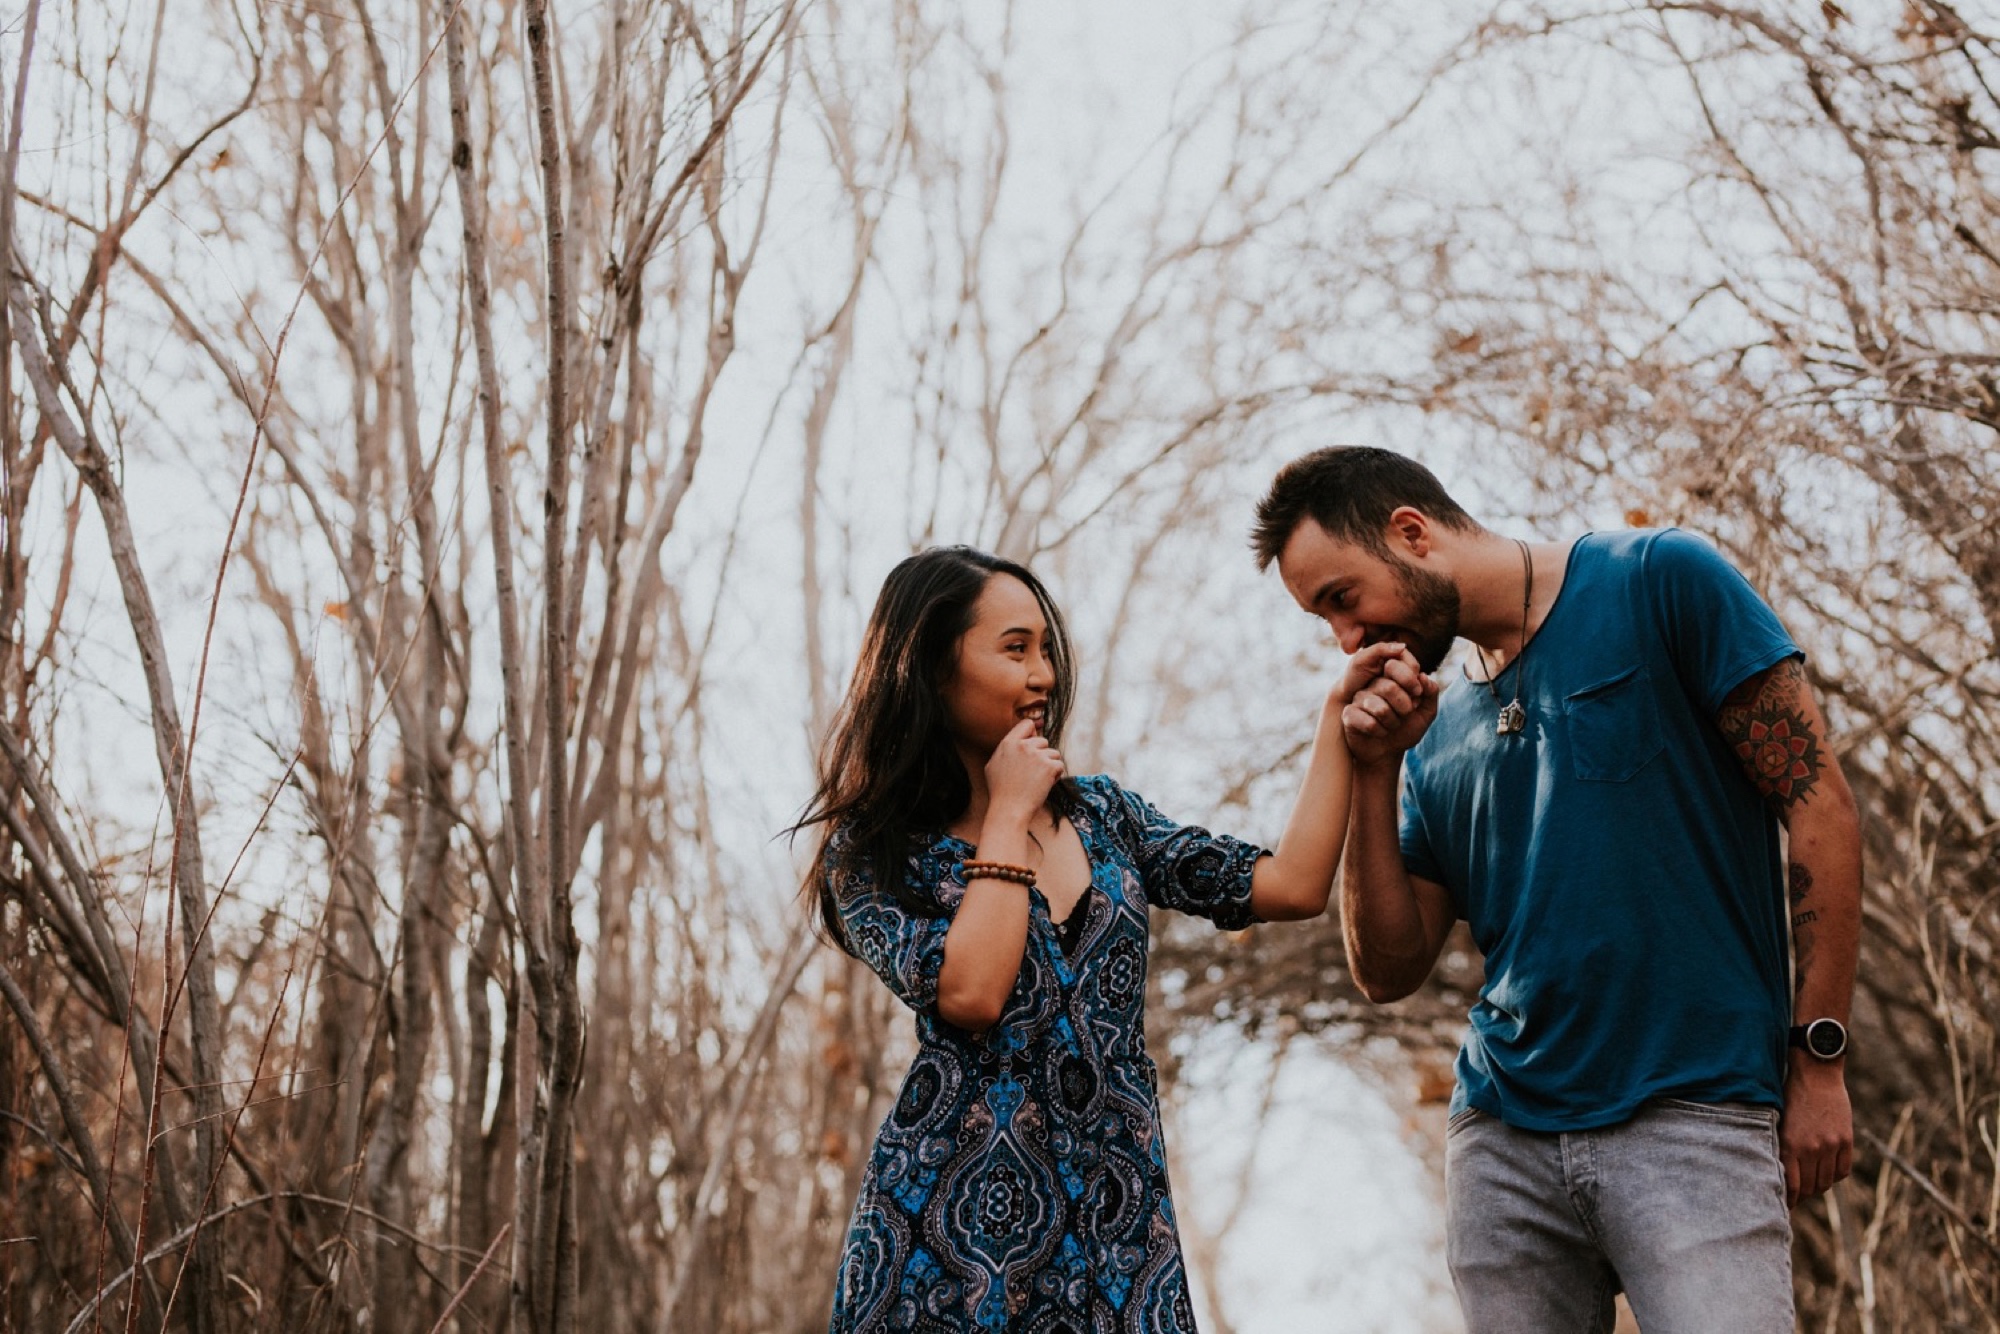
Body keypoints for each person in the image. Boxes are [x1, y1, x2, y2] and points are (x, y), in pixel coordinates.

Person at [1250, 447, 1862, 1333]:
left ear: (1410, 533)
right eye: (1325, 619)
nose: (1347, 639)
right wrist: (1374, 772)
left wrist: (1820, 1058)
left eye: (1342, 599)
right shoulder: (1432, 732)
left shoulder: (1659, 579)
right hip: (1503, 1146)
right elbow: (1387, 969)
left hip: (1693, 1116)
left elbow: (1820, 807)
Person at [797, 545, 1417, 1333]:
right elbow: (974, 993)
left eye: (1046, 648)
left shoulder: (1104, 817)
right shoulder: (875, 850)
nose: (1044, 676)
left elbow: (1290, 885)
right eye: (1014, 649)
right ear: (929, 665)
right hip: (947, 1247)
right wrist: (1008, 815)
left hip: (1118, 1218)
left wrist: (1337, 718)